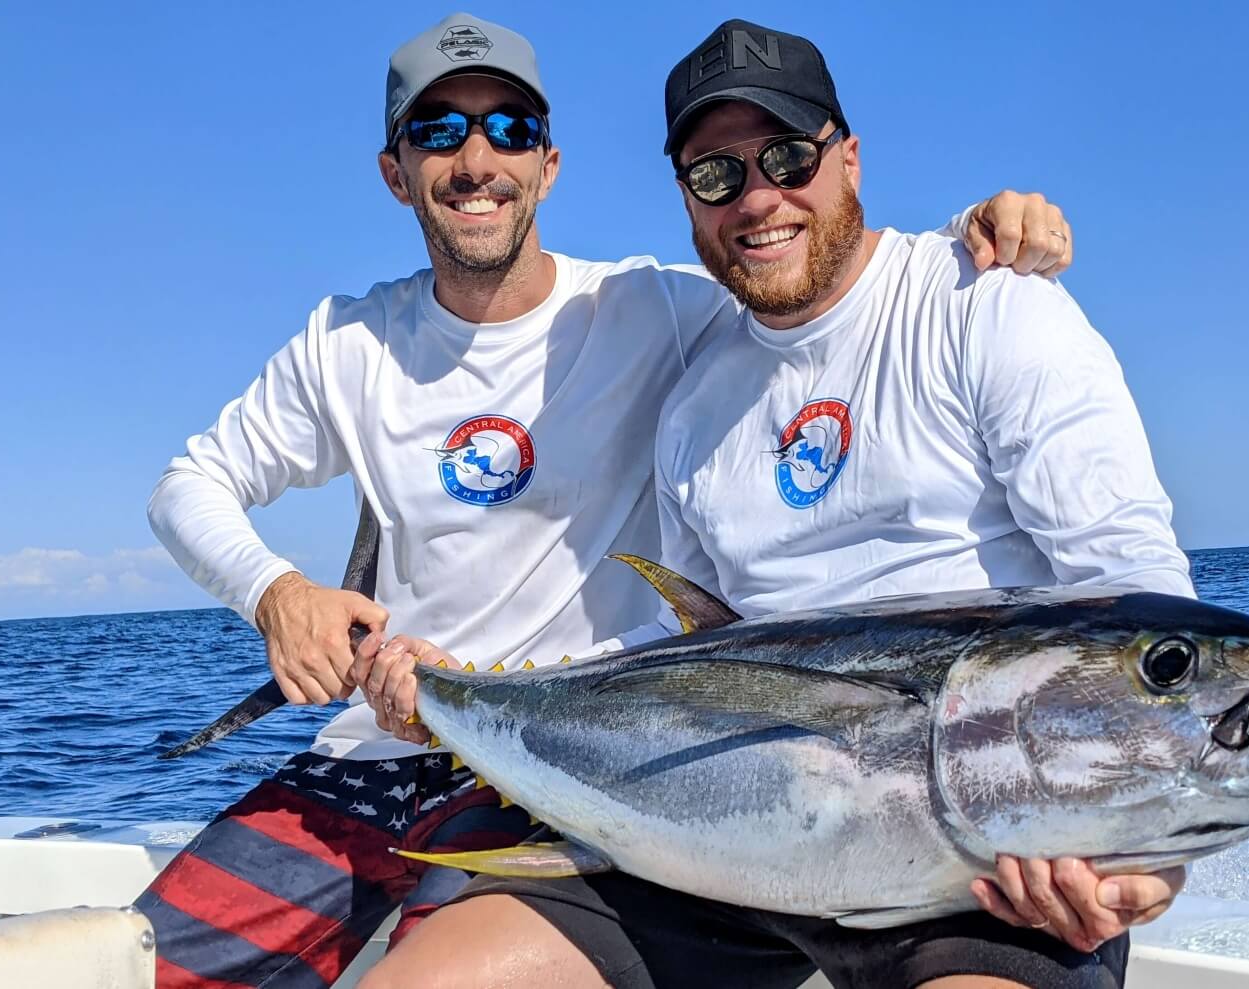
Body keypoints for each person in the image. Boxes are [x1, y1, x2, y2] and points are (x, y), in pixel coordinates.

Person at [139, 12, 1071, 989]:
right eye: (438, 131)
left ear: (548, 163)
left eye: (508, 129)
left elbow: (807, 263)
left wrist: (983, 230)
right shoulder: (346, 342)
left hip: (570, 769)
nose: (475, 159)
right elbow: (185, 487)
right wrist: (278, 592)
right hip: (374, 743)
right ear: (394, 169)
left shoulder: (658, 310)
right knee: (140, 965)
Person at [357, 18, 1193, 989]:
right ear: (685, 198)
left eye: (787, 155)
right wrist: (454, 686)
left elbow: (1134, 597)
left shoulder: (987, 304)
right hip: (720, 844)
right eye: (715, 175)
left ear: (850, 156)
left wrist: (1149, 855)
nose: (757, 197)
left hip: (980, 861)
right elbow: (684, 656)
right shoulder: (692, 410)